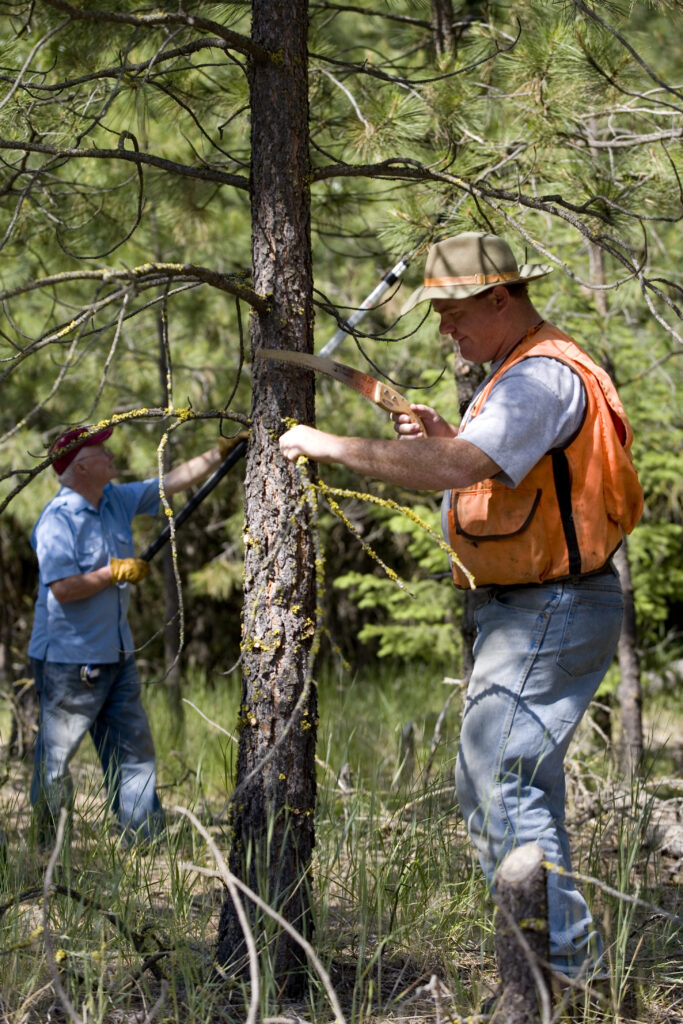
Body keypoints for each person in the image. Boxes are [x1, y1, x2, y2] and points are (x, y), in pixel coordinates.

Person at [279, 231, 643, 982]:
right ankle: (563, 966)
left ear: (499, 298)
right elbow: (485, 466)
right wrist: (451, 437)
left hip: (550, 606)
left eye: (452, 312)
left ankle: (562, 976)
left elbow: (455, 469)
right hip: (533, 607)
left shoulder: (536, 379)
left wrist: (329, 444)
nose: (444, 329)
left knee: (495, 777)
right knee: (505, 783)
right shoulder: (515, 374)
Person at [29, 424, 242, 849]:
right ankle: (46, 846)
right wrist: (114, 571)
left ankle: (143, 840)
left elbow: (167, 485)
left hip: (117, 653)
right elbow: (64, 589)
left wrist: (219, 454)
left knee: (133, 751)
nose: (111, 457)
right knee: (55, 760)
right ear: (81, 465)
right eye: (101, 452)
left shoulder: (114, 499)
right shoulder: (57, 520)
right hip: (71, 661)